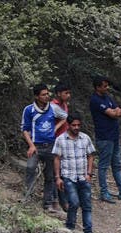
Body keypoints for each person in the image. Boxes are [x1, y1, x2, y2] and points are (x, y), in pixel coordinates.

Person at [89, 75, 121, 203]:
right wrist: (114, 113)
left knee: (117, 164)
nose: (107, 88)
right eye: (104, 86)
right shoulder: (95, 100)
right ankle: (104, 192)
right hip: (104, 137)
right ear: (97, 87)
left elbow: (119, 111)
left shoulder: (107, 98)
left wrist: (115, 113)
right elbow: (112, 113)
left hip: (114, 135)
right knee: (104, 165)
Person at [52, 112, 96, 233]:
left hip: (83, 177)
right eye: (74, 125)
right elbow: (57, 158)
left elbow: (91, 155)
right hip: (68, 177)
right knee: (74, 202)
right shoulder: (61, 139)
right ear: (68, 125)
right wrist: (58, 177)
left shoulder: (85, 138)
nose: (76, 127)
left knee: (87, 205)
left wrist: (89, 173)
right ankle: (70, 226)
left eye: (78, 125)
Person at [22, 83, 60, 213]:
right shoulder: (29, 110)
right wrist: (31, 145)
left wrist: (55, 128)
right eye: (43, 94)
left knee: (50, 175)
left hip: (50, 146)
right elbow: (25, 130)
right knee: (30, 168)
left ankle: (48, 203)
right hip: (36, 146)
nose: (46, 96)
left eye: (47, 94)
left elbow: (64, 117)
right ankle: (28, 198)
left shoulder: (53, 108)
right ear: (37, 96)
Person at [50, 83, 72, 212]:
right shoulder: (54, 106)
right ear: (58, 93)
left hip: (64, 142)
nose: (68, 96)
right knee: (56, 173)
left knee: (63, 173)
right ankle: (57, 202)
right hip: (55, 143)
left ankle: (64, 200)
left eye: (69, 93)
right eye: (66, 93)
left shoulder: (64, 105)